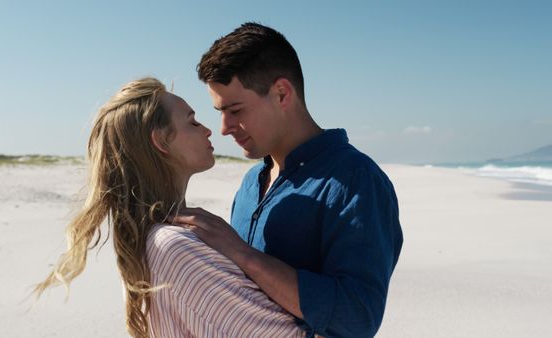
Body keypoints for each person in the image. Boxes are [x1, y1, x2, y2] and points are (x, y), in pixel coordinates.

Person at [173, 22, 404, 338]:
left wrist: (243, 254)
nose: (224, 127)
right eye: (219, 111)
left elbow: (359, 316)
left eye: (235, 110)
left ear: (282, 93)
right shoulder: (251, 183)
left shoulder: (356, 180)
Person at [34, 77, 306, 338]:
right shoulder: (174, 246)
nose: (210, 130)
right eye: (193, 122)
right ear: (161, 141)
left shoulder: (158, 237)